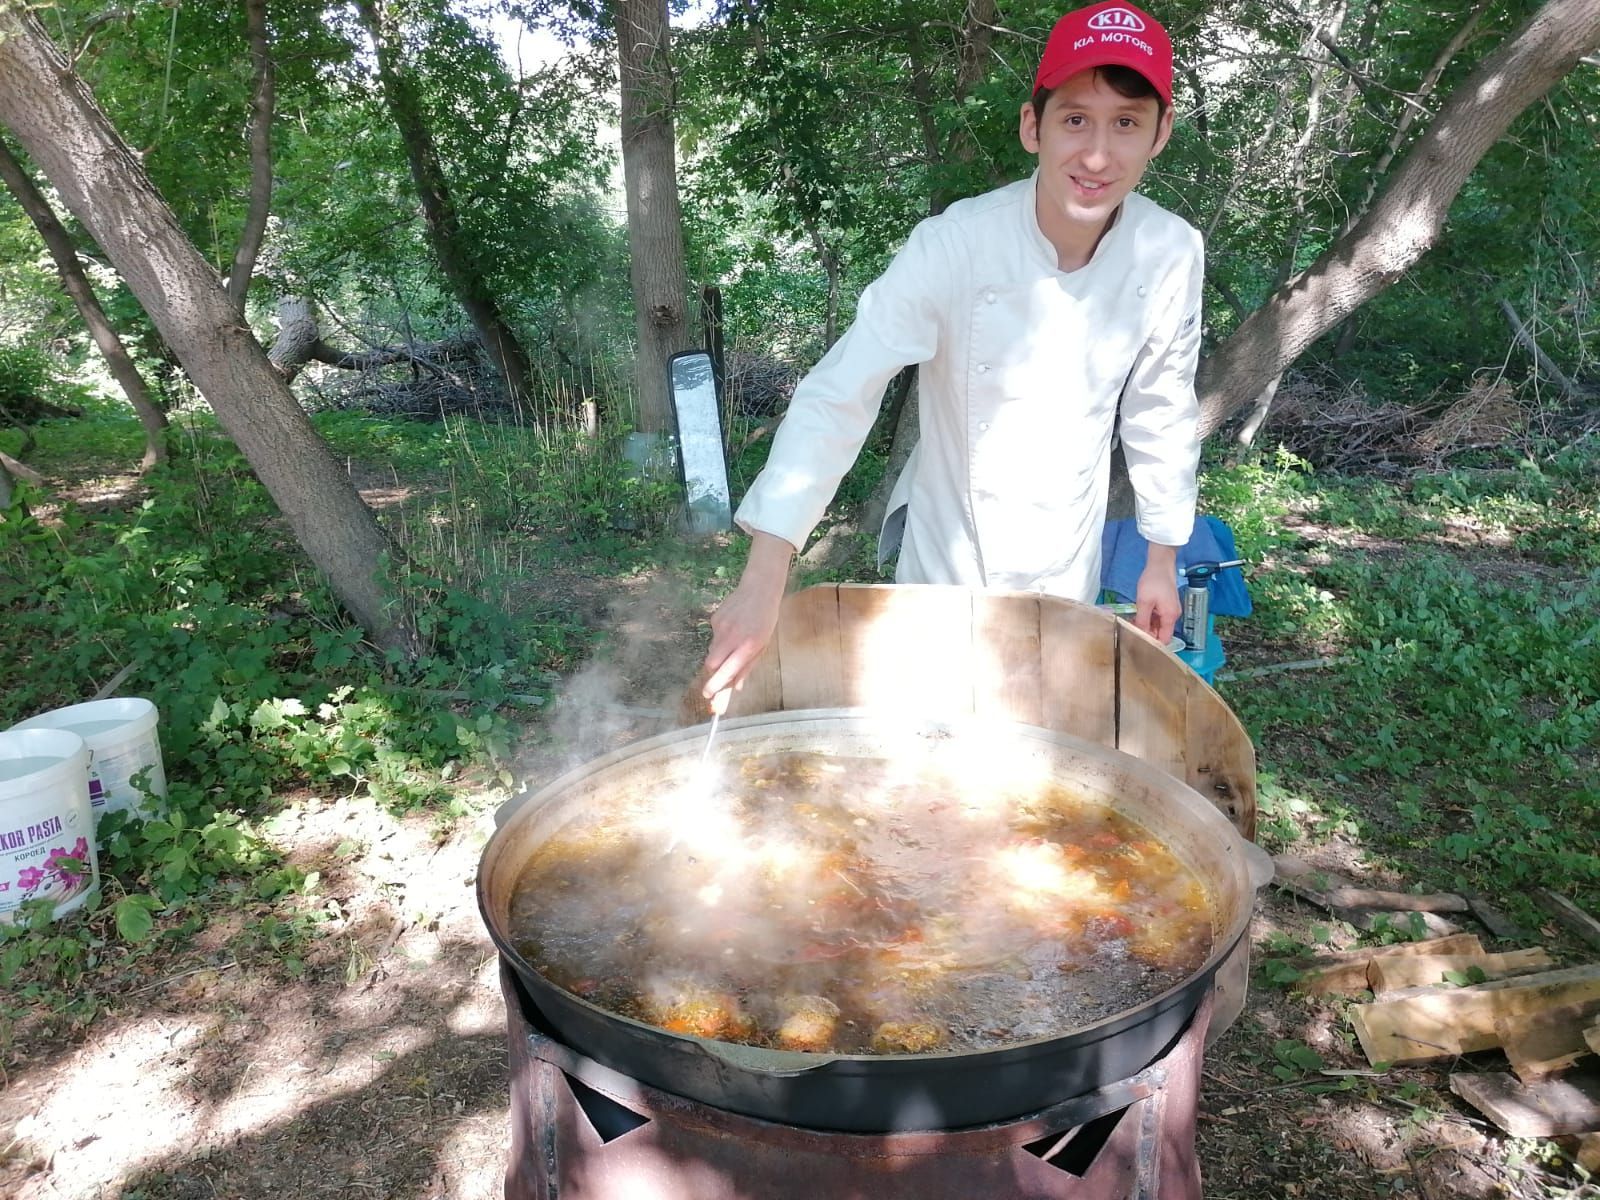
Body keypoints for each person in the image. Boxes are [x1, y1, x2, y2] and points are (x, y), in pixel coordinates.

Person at [702, 1, 1203, 711]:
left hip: (1067, 564)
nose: (1096, 155)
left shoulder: (1172, 251)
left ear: (1160, 134)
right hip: (945, 560)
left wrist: (1161, 561)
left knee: (1038, 758)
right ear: (1034, 126)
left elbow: (1161, 405)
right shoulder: (954, 245)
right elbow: (841, 392)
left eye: (1126, 122)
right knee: (924, 760)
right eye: (1075, 119)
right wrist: (762, 579)